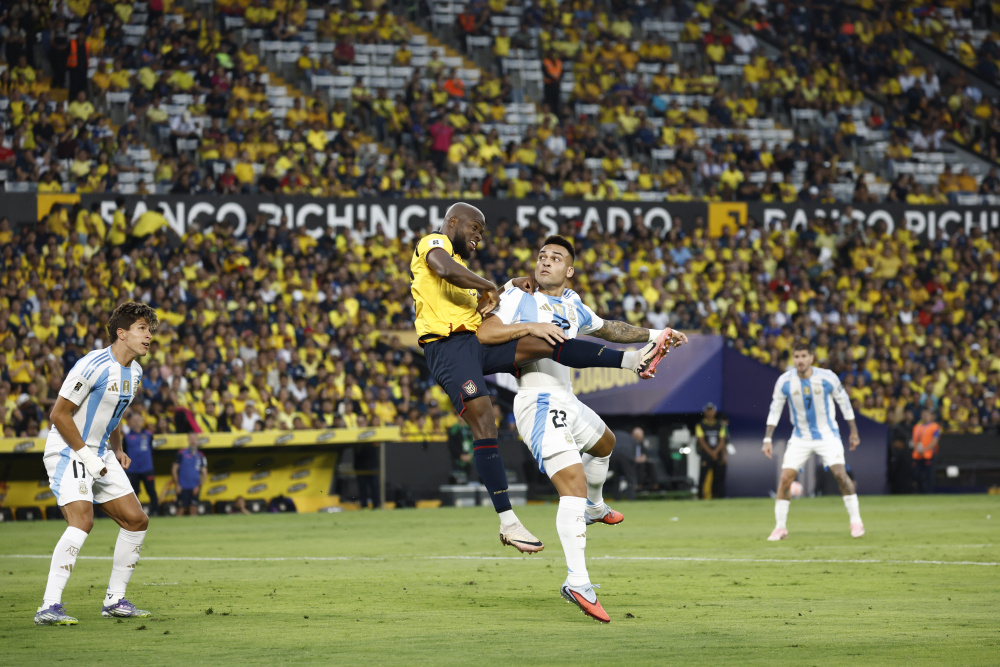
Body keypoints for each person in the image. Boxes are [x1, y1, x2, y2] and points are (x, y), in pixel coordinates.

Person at [410, 203, 673, 554]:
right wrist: (491, 285)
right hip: (447, 347)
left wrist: (503, 286)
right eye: (475, 229)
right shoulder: (434, 244)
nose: (478, 237)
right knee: (485, 419)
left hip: (474, 342)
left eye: (482, 233)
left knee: (546, 341)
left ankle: (631, 363)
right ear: (453, 223)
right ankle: (508, 522)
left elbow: (480, 303)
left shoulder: (469, 272)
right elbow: (443, 269)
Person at [477, 235, 687, 622]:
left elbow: (608, 329)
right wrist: (528, 327)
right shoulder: (519, 298)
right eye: (541, 256)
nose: (545, 262)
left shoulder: (572, 303)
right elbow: (485, 334)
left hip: (568, 398)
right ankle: (577, 580)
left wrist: (655, 334)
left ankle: (594, 506)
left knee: (605, 444)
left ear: (569, 270)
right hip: (538, 399)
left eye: (555, 258)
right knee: (570, 485)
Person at [35, 302, 158, 626]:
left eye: (150, 330)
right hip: (68, 449)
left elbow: (114, 413)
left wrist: (116, 448)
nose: (149, 336)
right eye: (143, 329)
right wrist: (88, 457)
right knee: (82, 521)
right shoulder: (93, 364)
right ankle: (49, 606)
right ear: (122, 333)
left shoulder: (136, 372)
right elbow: (58, 415)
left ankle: (115, 600)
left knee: (136, 520)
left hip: (101, 452)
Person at [762, 341, 865, 541]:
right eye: (796, 356)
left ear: (811, 358)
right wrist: (767, 438)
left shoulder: (827, 378)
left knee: (841, 476)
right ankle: (780, 527)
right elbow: (775, 409)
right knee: (785, 480)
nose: (800, 361)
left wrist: (854, 432)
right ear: (793, 358)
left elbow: (844, 403)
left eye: (803, 356)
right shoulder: (784, 381)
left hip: (828, 435)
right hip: (801, 437)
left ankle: (856, 521)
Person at [123, 413, 158, 516]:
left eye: (139, 419)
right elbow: (124, 452)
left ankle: (155, 511)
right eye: (134, 420)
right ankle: (135, 513)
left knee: (151, 491)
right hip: (132, 470)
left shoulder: (149, 435)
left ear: (143, 421)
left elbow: (153, 450)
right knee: (134, 493)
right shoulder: (127, 437)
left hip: (147, 468)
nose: (137, 422)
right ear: (130, 423)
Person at [696, 402, 728, 499]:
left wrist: (721, 454)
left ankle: (716, 496)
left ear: (715, 412)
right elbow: (701, 441)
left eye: (711, 410)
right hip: (706, 454)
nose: (710, 413)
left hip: (717, 454)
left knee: (717, 477)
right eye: (708, 410)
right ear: (705, 412)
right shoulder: (700, 425)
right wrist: (711, 452)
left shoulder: (720, 426)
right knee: (703, 477)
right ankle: (701, 496)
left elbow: (722, 441)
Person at [171, 433, 208, 516]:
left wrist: (199, 486)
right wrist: (177, 484)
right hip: (182, 486)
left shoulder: (201, 456)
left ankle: (194, 528)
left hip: (195, 487)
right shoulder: (180, 453)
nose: (193, 441)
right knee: (180, 509)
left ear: (198, 441)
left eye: (195, 439)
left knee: (194, 509)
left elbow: (205, 473)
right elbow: (174, 469)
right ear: (188, 440)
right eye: (191, 439)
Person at [911, 408, 940, 493]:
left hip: (929, 454)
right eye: (924, 414)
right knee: (916, 474)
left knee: (929, 476)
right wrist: (916, 448)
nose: (925, 416)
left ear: (931, 416)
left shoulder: (934, 427)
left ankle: (929, 493)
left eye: (927, 414)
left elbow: (934, 441)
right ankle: (920, 491)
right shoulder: (917, 427)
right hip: (917, 454)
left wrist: (924, 449)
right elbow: (914, 440)